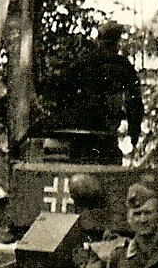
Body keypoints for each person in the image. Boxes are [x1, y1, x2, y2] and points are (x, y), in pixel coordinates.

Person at [53, 21, 144, 163]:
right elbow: (135, 102)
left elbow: (63, 90)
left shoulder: (87, 62)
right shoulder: (118, 65)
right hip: (93, 130)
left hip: (94, 131)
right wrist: (134, 132)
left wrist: (134, 131)